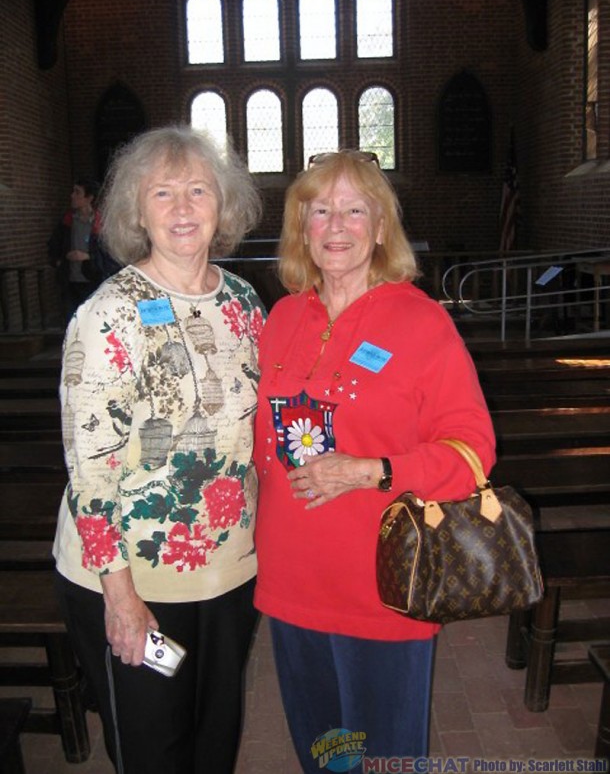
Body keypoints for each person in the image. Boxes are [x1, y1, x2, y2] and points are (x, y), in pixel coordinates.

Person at [253, 150, 496, 770]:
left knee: (384, 757)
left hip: (383, 584)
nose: (336, 226)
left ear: (381, 227)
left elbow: (471, 453)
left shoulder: (422, 322)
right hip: (291, 582)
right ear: (301, 228)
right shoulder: (280, 319)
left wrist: (374, 470)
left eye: (354, 210)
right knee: (325, 753)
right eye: (319, 211)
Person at [53, 126, 266, 774]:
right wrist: (120, 596)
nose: (181, 208)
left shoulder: (243, 304)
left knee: (214, 739)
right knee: (154, 752)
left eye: (198, 190)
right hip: (132, 576)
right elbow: (89, 469)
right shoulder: (106, 315)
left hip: (229, 571)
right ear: (135, 212)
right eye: (162, 192)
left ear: (221, 206)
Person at [47, 177, 102, 320]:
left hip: (93, 281)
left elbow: (111, 254)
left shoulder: (101, 223)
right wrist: (58, 261)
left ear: (89, 198)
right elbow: (53, 245)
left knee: (93, 321)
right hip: (69, 282)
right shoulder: (67, 221)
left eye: (77, 192)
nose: (72, 196)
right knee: (71, 322)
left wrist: (88, 257)